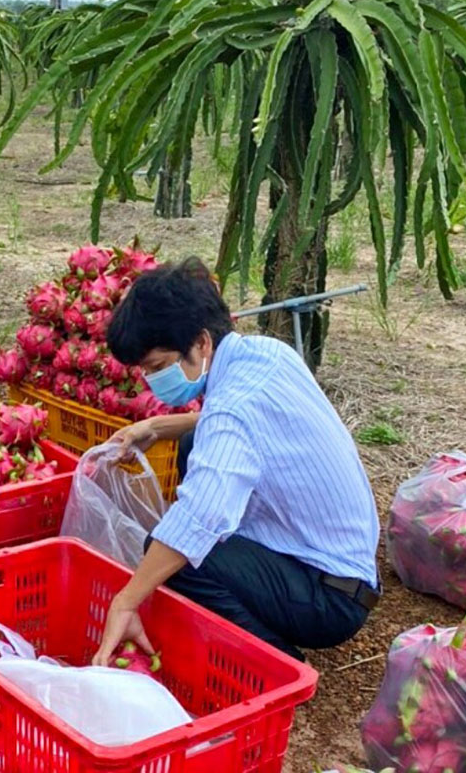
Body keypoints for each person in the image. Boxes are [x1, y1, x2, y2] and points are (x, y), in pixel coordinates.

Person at [89, 258, 380, 663]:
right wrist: (155, 426)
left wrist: (126, 600)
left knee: (177, 558)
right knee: (192, 444)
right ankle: (255, 610)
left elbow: (197, 519)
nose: (152, 381)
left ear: (201, 343)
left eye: (158, 367)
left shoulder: (232, 411)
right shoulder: (266, 353)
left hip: (329, 598)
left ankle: (276, 661)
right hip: (345, 567)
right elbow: (238, 422)